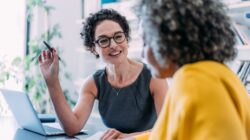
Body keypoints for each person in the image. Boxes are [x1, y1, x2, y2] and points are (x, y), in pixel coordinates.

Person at [38, 9, 168, 139]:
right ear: (94, 48)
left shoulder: (154, 77)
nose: (113, 45)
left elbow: (168, 129)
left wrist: (127, 137)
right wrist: (52, 82)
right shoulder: (93, 83)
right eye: (103, 40)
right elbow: (72, 127)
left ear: (126, 39)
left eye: (118, 36)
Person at [132, 0, 250, 139]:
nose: (142, 54)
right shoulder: (215, 72)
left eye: (146, 42)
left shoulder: (195, 80)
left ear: (168, 40)